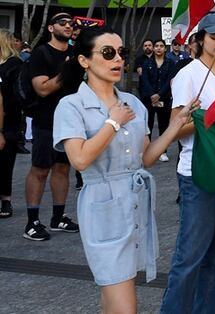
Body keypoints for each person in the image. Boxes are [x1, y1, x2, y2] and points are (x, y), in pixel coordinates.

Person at [51, 26, 194, 313]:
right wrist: (112, 123)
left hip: (135, 203)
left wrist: (176, 126)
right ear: (84, 61)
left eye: (122, 52)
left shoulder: (132, 102)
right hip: (102, 207)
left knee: (114, 298)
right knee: (124, 304)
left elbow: (147, 157)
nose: (118, 59)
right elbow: (79, 160)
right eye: (108, 52)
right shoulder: (71, 105)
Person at [161, 12, 215, 314]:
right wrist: (208, 118)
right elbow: (174, 128)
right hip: (198, 173)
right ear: (199, 40)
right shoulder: (189, 74)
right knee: (191, 255)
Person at [21, 12, 80, 241]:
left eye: (71, 23)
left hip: (70, 122)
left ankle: (58, 217)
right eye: (62, 23)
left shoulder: (74, 54)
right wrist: (66, 71)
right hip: (46, 120)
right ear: (51, 28)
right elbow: (42, 89)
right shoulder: (41, 54)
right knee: (40, 169)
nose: (68, 26)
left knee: (63, 169)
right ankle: (32, 222)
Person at [138, 39, 177, 162]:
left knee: (163, 125)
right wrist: (152, 94)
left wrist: (159, 94)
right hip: (148, 98)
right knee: (147, 124)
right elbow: (144, 79)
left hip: (164, 98)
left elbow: (170, 80)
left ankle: (162, 151)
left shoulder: (170, 63)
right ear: (153, 49)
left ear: (165, 48)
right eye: (156, 46)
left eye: (161, 46)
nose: (159, 48)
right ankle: (146, 150)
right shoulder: (146, 63)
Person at [0, 29, 25, 218]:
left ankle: (6, 200)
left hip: (8, 120)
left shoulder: (15, 64)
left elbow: (17, 94)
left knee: (6, 162)